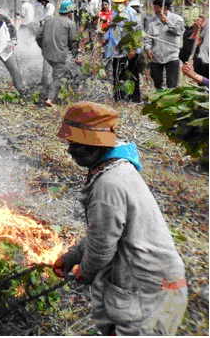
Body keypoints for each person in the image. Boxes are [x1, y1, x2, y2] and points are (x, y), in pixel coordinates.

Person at [54, 101, 188, 336]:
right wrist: (72, 256)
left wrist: (83, 272)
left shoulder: (108, 184)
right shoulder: (117, 168)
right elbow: (104, 232)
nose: (70, 150)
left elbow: (102, 249)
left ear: (96, 145)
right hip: (147, 286)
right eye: (69, 143)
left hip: (148, 293)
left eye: (76, 144)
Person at [35, 0, 78, 107]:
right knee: (58, 76)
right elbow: (72, 41)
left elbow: (38, 36)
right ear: (69, 12)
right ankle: (50, 99)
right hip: (59, 55)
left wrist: (43, 48)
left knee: (57, 72)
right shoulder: (70, 23)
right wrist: (74, 54)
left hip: (47, 53)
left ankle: (45, 91)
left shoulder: (49, 20)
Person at [104, 0, 144, 102]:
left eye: (119, 2)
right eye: (115, 2)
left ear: (126, 2)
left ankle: (134, 98)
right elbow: (112, 29)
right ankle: (118, 98)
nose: (116, 4)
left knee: (132, 75)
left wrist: (131, 49)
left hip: (129, 50)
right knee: (117, 74)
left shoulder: (132, 14)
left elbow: (135, 33)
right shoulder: (114, 13)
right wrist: (106, 38)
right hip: (116, 51)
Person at [144, 0, 185, 90]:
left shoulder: (177, 19)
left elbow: (180, 32)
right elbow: (147, 38)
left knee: (172, 84)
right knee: (157, 83)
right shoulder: (151, 22)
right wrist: (148, 48)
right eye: (154, 9)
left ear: (164, 8)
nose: (154, 11)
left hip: (172, 56)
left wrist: (168, 22)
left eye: (156, 9)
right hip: (156, 57)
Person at [178, 0, 203, 64]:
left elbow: (201, 18)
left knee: (195, 48)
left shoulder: (197, 8)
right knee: (184, 49)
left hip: (194, 30)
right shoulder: (181, 8)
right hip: (184, 31)